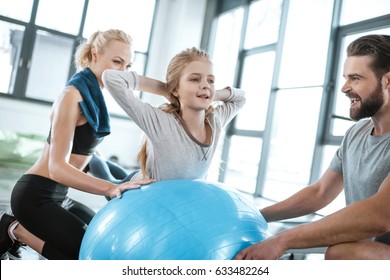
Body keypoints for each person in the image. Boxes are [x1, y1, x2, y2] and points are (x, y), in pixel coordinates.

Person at [0, 29, 153, 260]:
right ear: (94, 54)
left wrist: (126, 179)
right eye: (117, 62)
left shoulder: (94, 96)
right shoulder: (72, 96)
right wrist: (109, 188)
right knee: (86, 256)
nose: (123, 72)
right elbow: (57, 168)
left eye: (128, 66)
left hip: (59, 196)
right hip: (34, 197)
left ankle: (18, 230)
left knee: (106, 239)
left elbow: (88, 154)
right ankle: (15, 230)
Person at [234, 34, 390, 260]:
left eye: (355, 78)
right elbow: (320, 192)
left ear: (387, 81)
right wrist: (257, 216)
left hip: (371, 248)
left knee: (344, 253)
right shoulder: (356, 133)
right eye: (346, 78)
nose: (344, 88)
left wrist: (283, 240)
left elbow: (379, 215)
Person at [102, 47, 246, 181]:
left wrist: (208, 94)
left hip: (179, 201)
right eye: (195, 79)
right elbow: (111, 78)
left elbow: (241, 98)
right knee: (107, 175)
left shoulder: (215, 121)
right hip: (140, 193)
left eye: (210, 80)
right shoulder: (161, 122)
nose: (205, 85)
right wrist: (166, 90)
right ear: (176, 89)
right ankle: (98, 162)